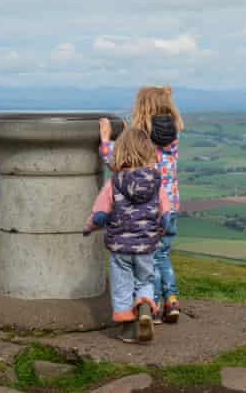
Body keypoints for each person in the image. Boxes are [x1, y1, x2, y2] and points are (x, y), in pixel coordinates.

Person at [99, 85, 183, 324]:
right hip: (172, 206)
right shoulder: (172, 135)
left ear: (141, 108)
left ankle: (151, 308)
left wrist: (107, 141)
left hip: (149, 210)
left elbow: (117, 163)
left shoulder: (143, 139)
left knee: (150, 259)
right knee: (163, 255)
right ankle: (172, 300)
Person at [83, 128, 171, 343]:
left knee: (122, 285)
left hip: (120, 248)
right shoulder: (156, 180)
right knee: (145, 280)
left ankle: (128, 330)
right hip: (146, 247)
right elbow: (166, 212)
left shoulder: (114, 182)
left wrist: (88, 228)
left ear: (120, 152)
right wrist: (160, 230)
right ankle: (144, 308)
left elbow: (100, 214)